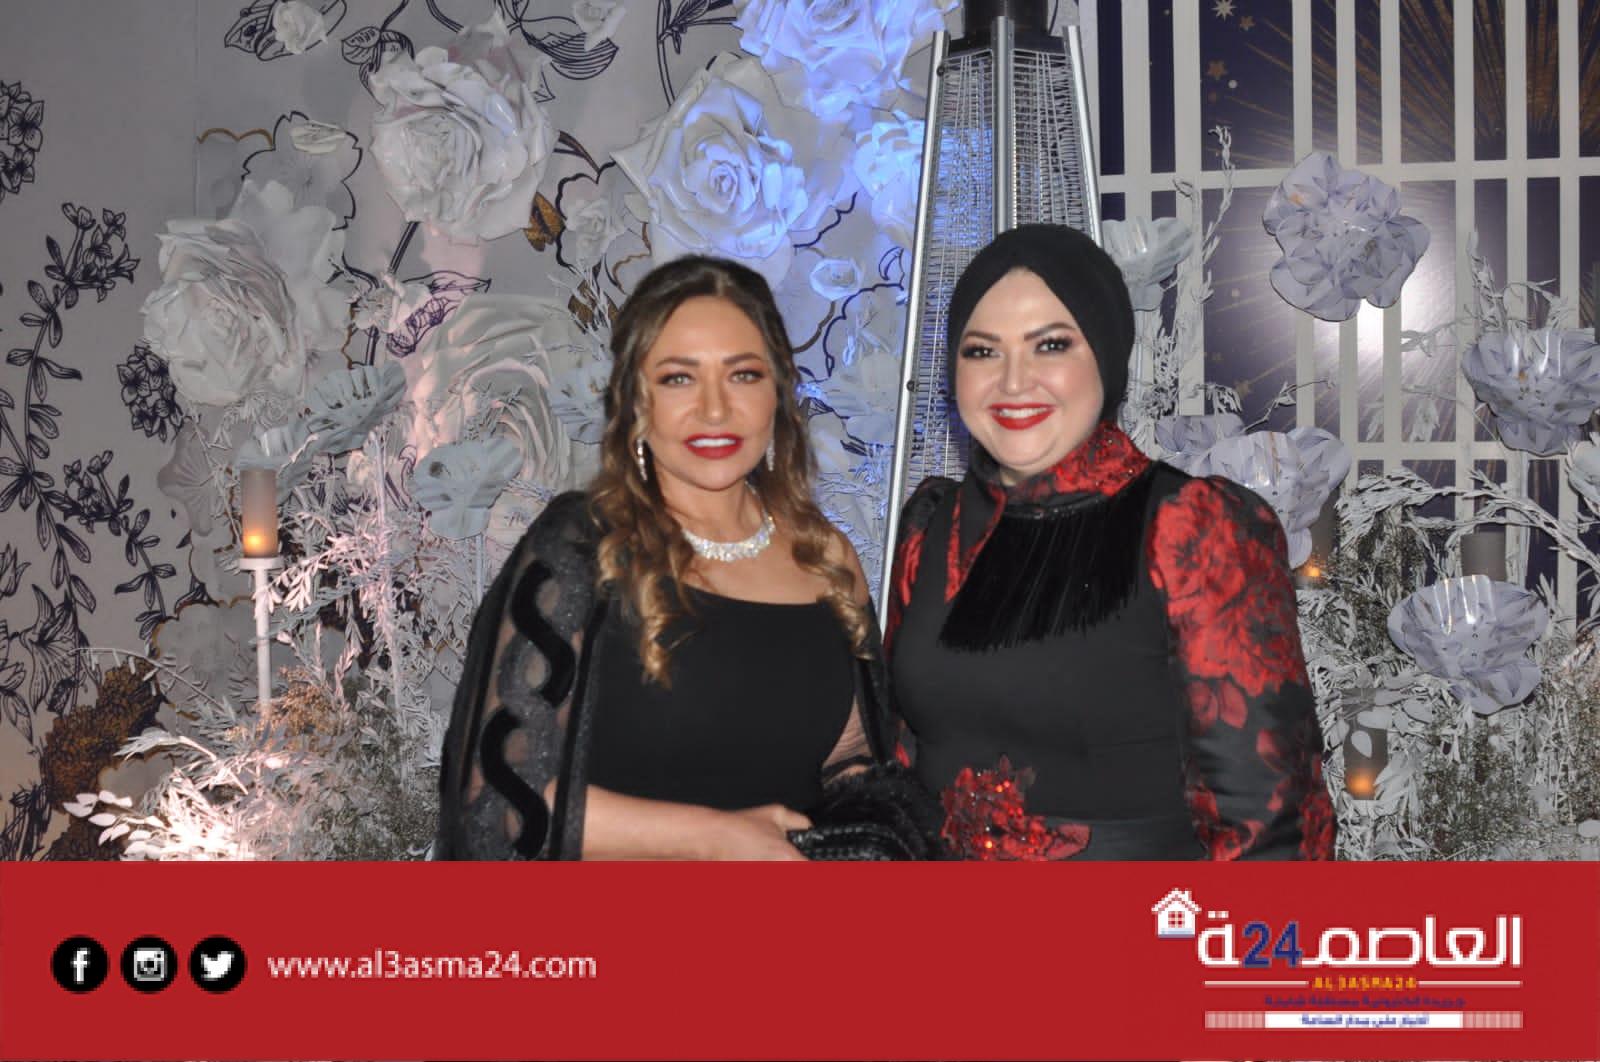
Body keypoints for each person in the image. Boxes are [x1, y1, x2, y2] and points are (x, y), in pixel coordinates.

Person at [883, 224, 1335, 860]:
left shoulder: (1192, 527)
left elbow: (1273, 829)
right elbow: (903, 761)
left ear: (1106, 353)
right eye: (982, 351)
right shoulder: (932, 524)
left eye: (1051, 345)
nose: (1013, 381)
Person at [437, 256, 895, 860]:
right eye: (679, 378)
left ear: (780, 389)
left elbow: (853, 769)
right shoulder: (582, 548)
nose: (714, 409)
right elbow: (497, 803)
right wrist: (713, 838)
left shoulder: (826, 557)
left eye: (743, 375)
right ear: (635, 400)